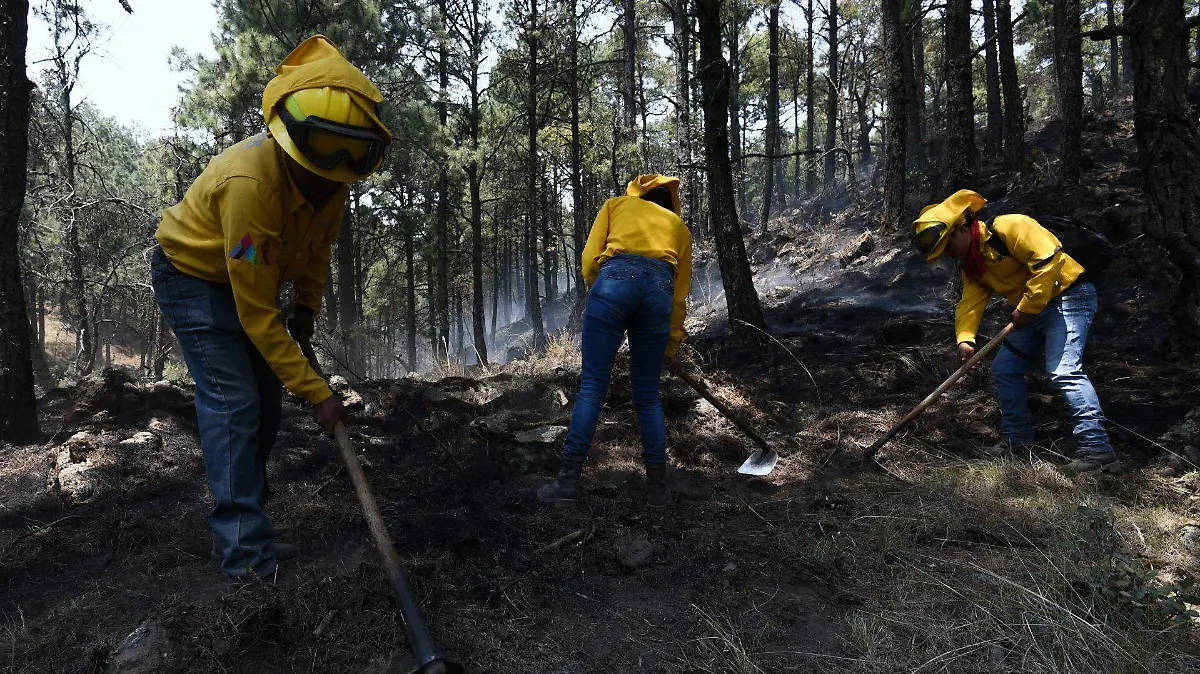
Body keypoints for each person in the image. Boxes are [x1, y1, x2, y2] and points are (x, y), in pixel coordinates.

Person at [151, 35, 392, 580]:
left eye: (343, 171)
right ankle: (243, 554)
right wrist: (318, 394)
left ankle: (241, 530)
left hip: (240, 280)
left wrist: (308, 306)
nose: (331, 181)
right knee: (235, 403)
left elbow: (315, 249)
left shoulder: (333, 182)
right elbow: (256, 314)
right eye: (321, 168)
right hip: (191, 275)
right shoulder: (250, 185)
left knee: (265, 402)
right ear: (291, 145)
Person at [912, 189, 1119, 474]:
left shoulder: (1011, 226)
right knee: (1006, 369)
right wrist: (965, 340)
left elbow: (1049, 262)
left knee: (1064, 370)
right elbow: (969, 303)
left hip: (1069, 299)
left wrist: (1027, 307)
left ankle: (1098, 451)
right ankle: (1018, 444)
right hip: (1030, 312)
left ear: (961, 228)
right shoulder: (974, 264)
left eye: (948, 246)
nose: (949, 254)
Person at [538, 175, 694, 509]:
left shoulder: (615, 205)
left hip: (614, 283)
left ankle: (567, 483)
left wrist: (604, 286)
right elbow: (680, 297)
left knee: (594, 386)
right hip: (659, 295)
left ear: (639, 192)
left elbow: (589, 258)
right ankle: (656, 490)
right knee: (648, 397)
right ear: (669, 201)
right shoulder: (679, 227)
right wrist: (672, 345)